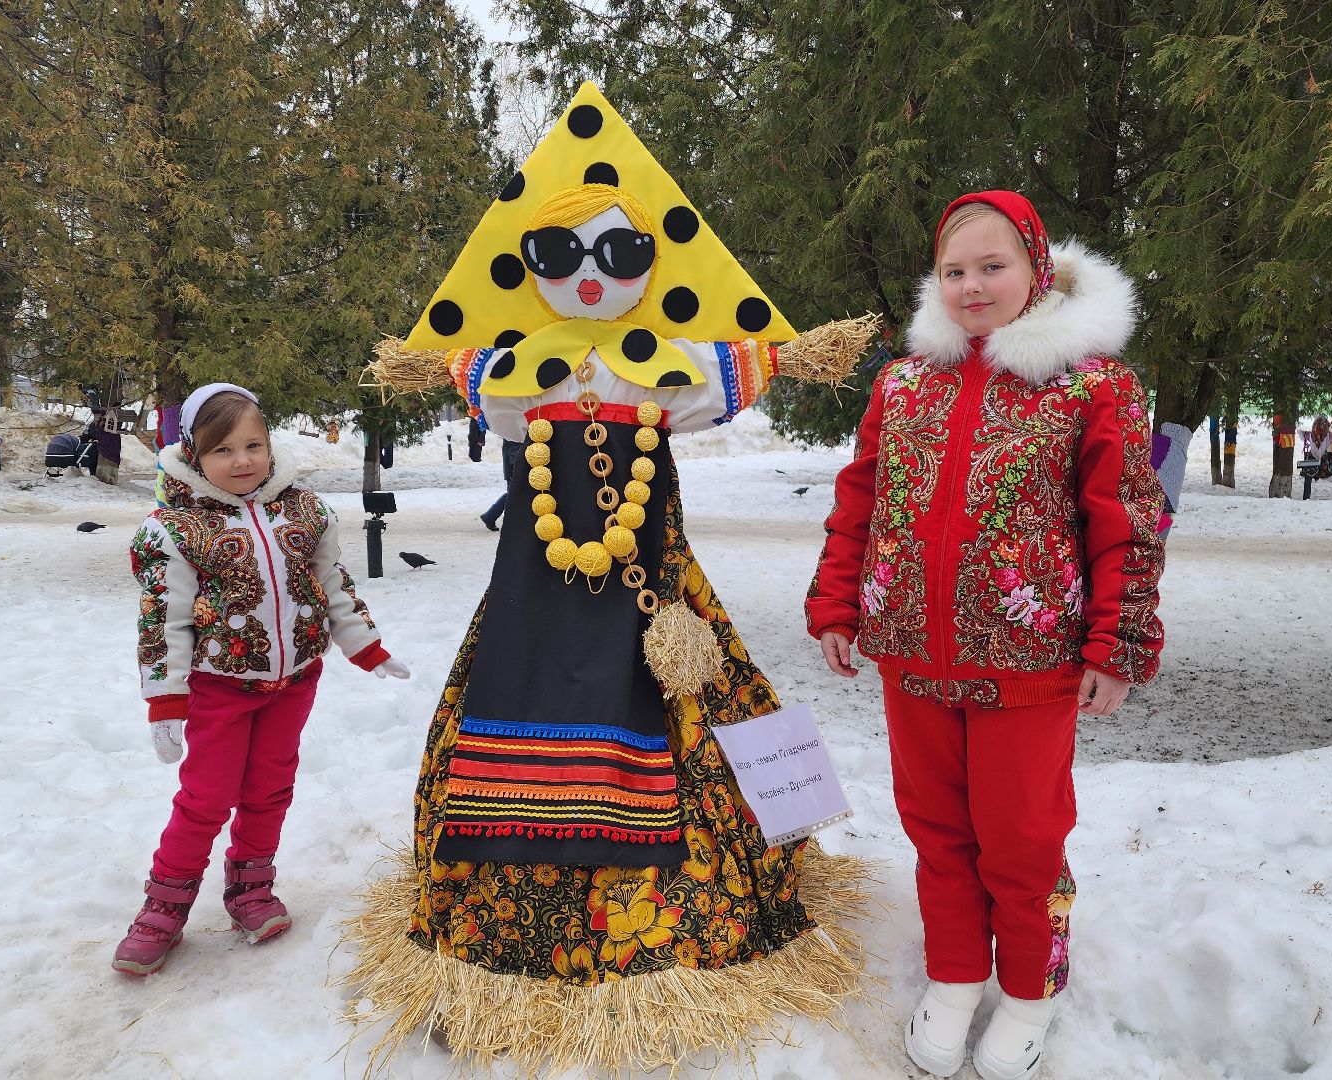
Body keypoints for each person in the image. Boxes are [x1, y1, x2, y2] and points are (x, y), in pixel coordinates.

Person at [346, 83, 874, 1076]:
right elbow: (454, 363)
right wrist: (418, 363)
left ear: (648, 267)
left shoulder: (664, 369)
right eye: (558, 255)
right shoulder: (515, 373)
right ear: (530, 267)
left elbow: (750, 359)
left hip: (652, 595)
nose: (590, 277)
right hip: (531, 601)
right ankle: (504, 951)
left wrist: (802, 352)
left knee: (682, 714)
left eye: (621, 254)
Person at [806, 191, 1166, 1080]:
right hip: (914, 661)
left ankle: (1030, 994)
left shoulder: (1092, 384)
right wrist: (839, 603)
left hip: (1031, 663)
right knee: (937, 830)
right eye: (954, 270)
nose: (972, 286)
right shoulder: (904, 382)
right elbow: (863, 500)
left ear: (1037, 270)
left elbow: (1128, 520)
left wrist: (1117, 644)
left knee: (1021, 837)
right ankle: (957, 977)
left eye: (992, 267)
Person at [114, 382, 412, 977]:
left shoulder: (305, 511)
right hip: (218, 689)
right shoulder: (173, 529)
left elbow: (333, 584)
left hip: (294, 682)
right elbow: (161, 621)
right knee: (207, 797)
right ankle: (163, 907)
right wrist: (165, 701)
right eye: (223, 450)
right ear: (194, 454)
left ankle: (250, 886)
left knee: (270, 788)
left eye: (253, 445)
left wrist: (366, 648)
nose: (242, 460)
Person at [468, 415, 507, 530]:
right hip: (515, 459)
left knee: (514, 492)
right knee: (515, 492)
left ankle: (490, 516)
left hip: (512, 457)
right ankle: (491, 516)